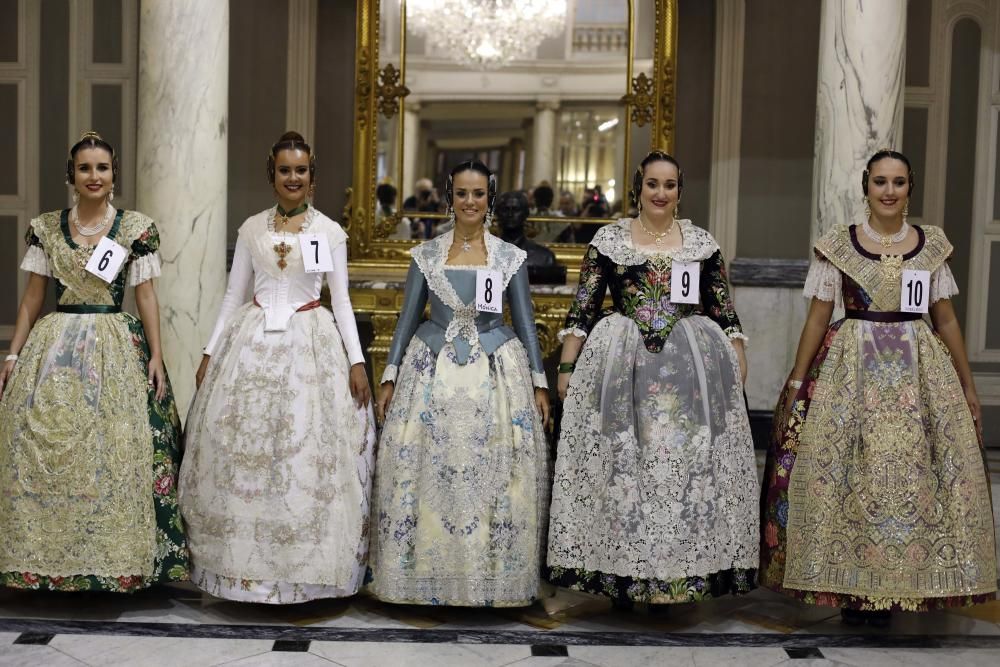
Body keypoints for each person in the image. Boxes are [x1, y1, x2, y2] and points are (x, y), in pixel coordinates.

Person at [759, 149, 997, 626]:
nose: (889, 191)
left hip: (917, 374)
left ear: (911, 187)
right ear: (865, 186)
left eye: (899, 182)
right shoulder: (838, 246)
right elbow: (817, 318)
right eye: (881, 181)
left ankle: (898, 586)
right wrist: (799, 379)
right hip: (851, 370)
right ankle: (849, 588)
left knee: (911, 479)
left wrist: (968, 385)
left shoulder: (931, 246)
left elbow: (945, 320)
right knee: (849, 476)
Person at [546, 150, 758, 605]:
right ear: (638, 188)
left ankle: (678, 576)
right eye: (652, 184)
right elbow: (584, 306)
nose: (661, 193)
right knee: (626, 470)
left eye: (670, 185)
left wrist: (736, 352)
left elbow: (721, 305)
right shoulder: (610, 239)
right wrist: (568, 365)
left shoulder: (700, 243)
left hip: (688, 374)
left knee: (679, 473)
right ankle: (625, 575)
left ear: (680, 191)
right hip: (622, 368)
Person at [180, 131, 375, 604]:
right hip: (251, 343)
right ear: (273, 175)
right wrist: (208, 352)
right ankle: (240, 573)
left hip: (312, 343)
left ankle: (305, 575)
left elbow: (343, 301)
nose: (294, 178)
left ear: (313, 176)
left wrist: (356, 361)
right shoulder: (252, 229)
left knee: (303, 452)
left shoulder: (329, 232)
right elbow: (233, 295)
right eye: (285, 170)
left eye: (301, 170)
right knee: (244, 453)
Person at [0, 131, 189, 591]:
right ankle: (46, 558)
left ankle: (118, 560)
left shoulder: (134, 229)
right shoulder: (46, 227)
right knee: (44, 444)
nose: (94, 176)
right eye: (85, 168)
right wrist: (13, 353)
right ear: (72, 175)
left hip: (115, 346)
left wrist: (157, 355)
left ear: (113, 173)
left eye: (102, 168)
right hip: (56, 348)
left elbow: (146, 298)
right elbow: (31, 300)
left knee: (118, 447)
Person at [370, 160, 551, 607]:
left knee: (494, 475)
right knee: (426, 470)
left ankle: (489, 578)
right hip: (431, 371)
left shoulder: (509, 257)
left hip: (495, 374)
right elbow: (408, 318)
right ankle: (425, 577)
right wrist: (390, 375)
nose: (471, 202)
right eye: (462, 194)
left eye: (479, 194)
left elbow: (526, 323)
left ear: (489, 197)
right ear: (450, 197)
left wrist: (539, 383)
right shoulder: (426, 254)